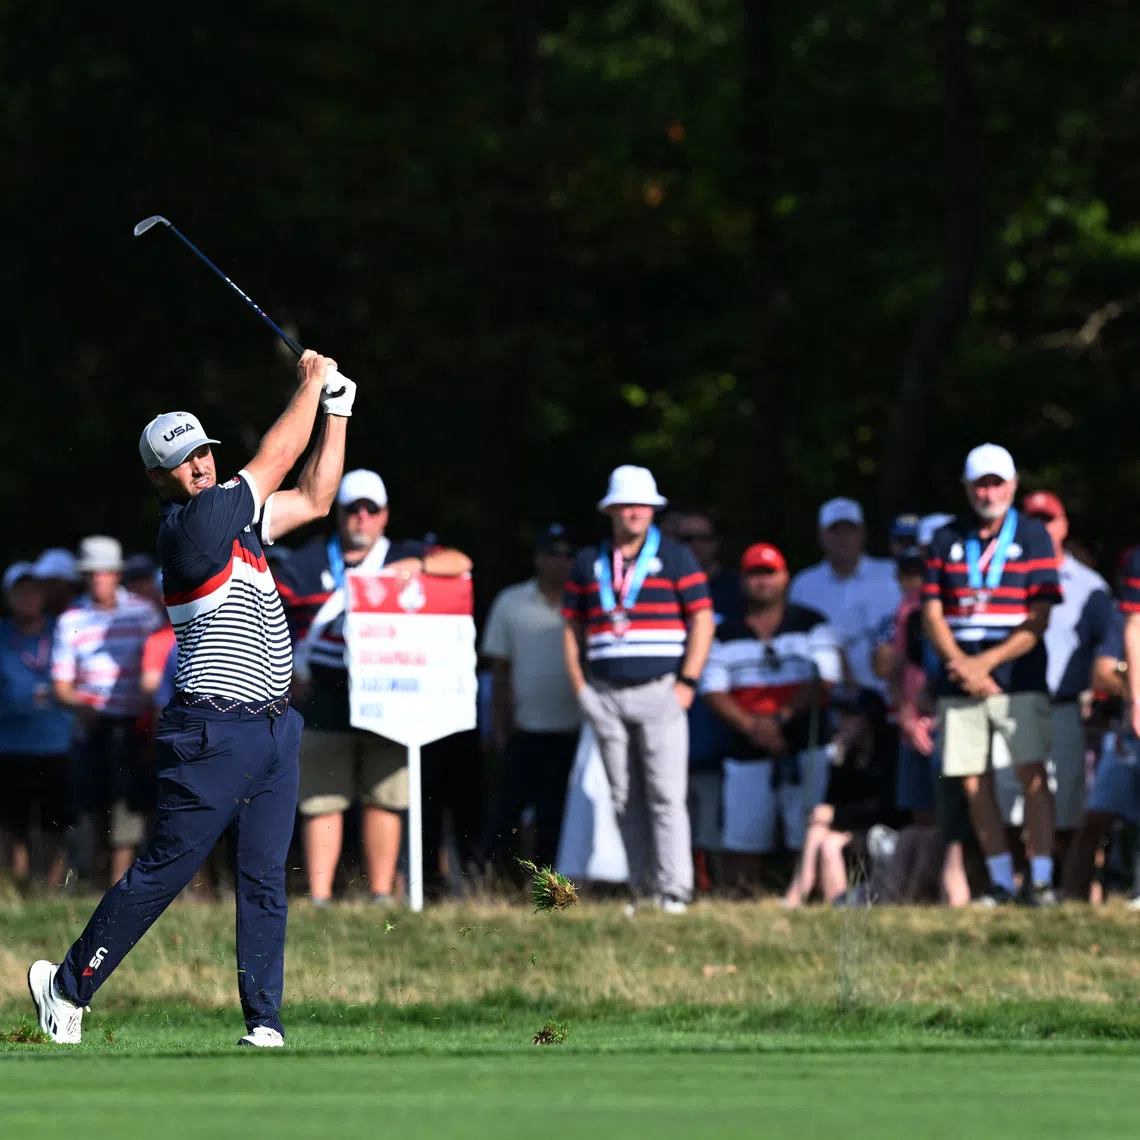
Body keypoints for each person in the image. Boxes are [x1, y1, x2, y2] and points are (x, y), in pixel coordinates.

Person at [28, 349, 352, 1046]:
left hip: (272, 728)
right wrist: (310, 383)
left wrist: (339, 412)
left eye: (203, 451)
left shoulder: (245, 523)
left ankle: (264, 1023)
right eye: (184, 460)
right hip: (213, 729)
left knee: (265, 877)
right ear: (159, 478)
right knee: (165, 871)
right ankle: (66, 985)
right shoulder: (194, 528)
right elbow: (277, 454)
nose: (200, 465)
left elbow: (319, 498)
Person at [273, 468, 472, 905]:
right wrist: (288, 675)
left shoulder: (403, 553)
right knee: (322, 801)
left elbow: (461, 563)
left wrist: (417, 566)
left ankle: (381, 894)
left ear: (384, 516)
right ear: (338, 514)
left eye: (371, 509)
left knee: (386, 796)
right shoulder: (305, 563)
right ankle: (321, 898)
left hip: (387, 699)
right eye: (352, 509)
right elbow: (271, 619)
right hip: (322, 699)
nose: (361, 517)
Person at [562, 465, 715, 914]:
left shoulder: (676, 556)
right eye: (627, 504)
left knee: (666, 793)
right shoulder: (589, 561)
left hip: (660, 689)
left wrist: (687, 682)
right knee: (624, 796)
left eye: (643, 505)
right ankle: (642, 887)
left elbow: (702, 619)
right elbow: (572, 627)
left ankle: (675, 890)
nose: (635, 512)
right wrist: (581, 689)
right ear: (610, 510)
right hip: (605, 692)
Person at [923, 443, 1062, 905]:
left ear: (1013, 485)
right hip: (959, 675)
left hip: (1017, 673)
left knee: (1031, 771)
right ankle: (1003, 882)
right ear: (966, 486)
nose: (989, 492)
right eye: (980, 483)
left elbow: (1038, 618)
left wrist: (986, 664)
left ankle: (1040, 879)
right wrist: (963, 665)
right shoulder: (945, 537)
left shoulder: (1033, 536)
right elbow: (932, 611)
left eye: (997, 482)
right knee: (971, 779)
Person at [700, 543, 842, 888]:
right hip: (746, 747)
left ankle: (806, 901)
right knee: (743, 838)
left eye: (769, 573)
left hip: (805, 745)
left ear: (784, 578)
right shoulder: (725, 633)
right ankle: (744, 905)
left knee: (806, 833)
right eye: (754, 574)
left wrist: (781, 718)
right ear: (742, 581)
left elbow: (825, 677)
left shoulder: (811, 623)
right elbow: (713, 690)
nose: (763, 582)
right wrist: (754, 727)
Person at [995, 491, 1110, 876]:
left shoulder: (1090, 586)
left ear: (1063, 526)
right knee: (1008, 803)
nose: (1042, 529)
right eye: (1034, 520)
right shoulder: (1000, 575)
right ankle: (1014, 884)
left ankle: (1063, 888)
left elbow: (1107, 649)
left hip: (1063, 707)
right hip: (1009, 703)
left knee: (1067, 806)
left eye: (1049, 520)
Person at [51, 535, 164, 885]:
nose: (98, 579)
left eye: (105, 572)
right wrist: (82, 705)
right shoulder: (71, 619)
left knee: (130, 809)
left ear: (117, 574)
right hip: (93, 724)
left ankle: (119, 883)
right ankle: (97, 881)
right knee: (94, 807)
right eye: (92, 573)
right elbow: (62, 686)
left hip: (135, 726)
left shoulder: (142, 613)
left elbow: (157, 664)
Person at [481, 524, 580, 870]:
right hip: (523, 731)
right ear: (538, 558)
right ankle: (499, 884)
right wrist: (499, 728)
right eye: (553, 553)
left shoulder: (586, 600)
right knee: (506, 815)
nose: (561, 561)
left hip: (573, 732)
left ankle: (552, 889)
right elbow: (499, 671)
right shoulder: (511, 602)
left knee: (558, 818)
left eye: (568, 554)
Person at [784, 690, 899, 907]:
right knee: (820, 833)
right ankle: (809, 896)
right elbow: (834, 798)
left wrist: (836, 814)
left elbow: (886, 808)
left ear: (867, 720)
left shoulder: (890, 754)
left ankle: (813, 899)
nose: (841, 722)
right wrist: (839, 761)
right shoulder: (847, 754)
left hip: (887, 831)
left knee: (829, 843)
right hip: (855, 829)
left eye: (849, 715)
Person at [0, 562, 73, 885]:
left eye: (33, 591)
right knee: (10, 822)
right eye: (20, 592)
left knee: (53, 822)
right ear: (9, 596)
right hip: (8, 743)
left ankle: (50, 885)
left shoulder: (62, 629)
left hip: (57, 741)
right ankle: (15, 884)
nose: (27, 598)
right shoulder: (2, 633)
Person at [789, 498, 901, 697]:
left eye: (850, 529)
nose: (843, 538)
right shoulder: (803, 585)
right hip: (826, 702)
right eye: (835, 531)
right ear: (821, 535)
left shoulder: (892, 575)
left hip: (892, 698)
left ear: (863, 533)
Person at [32, 548, 81, 616]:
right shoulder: (37, 617)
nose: (41, 587)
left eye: (49, 581)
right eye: (40, 582)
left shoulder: (83, 612)